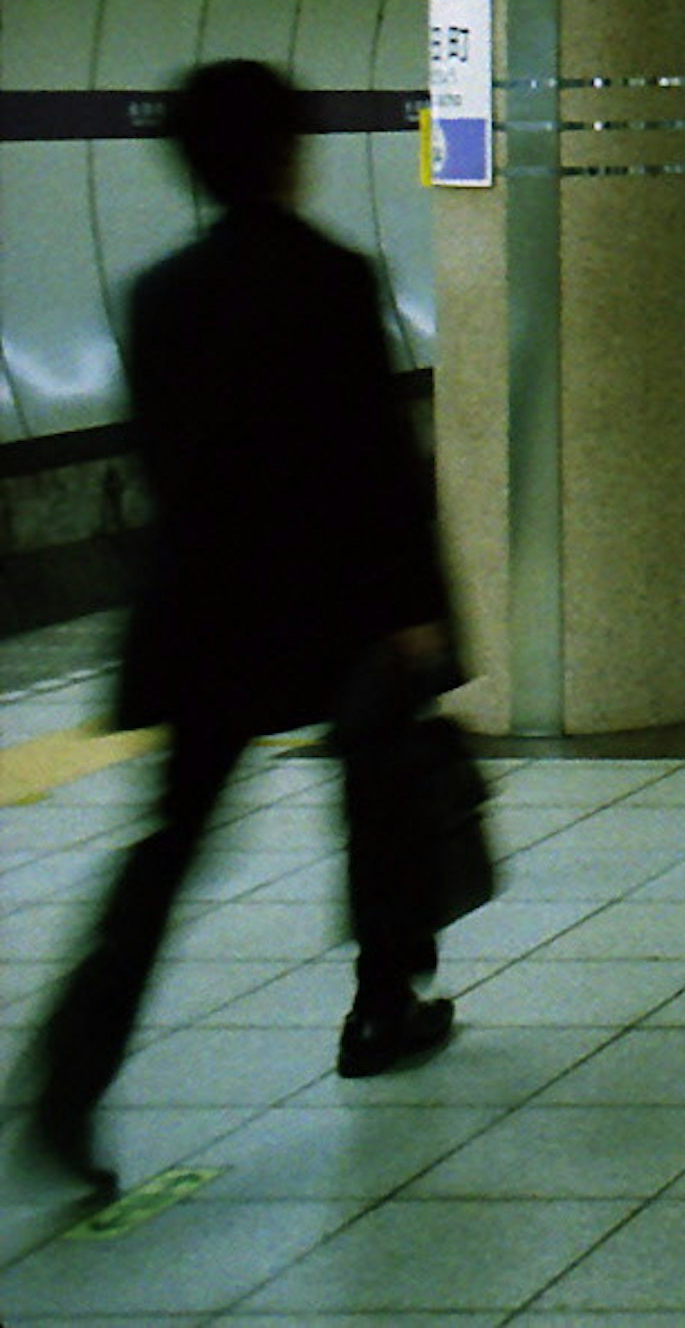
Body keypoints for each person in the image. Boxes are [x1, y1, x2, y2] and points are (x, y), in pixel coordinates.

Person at [29, 61, 464, 1197]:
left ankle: (67, 1085)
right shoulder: (327, 277)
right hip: (329, 608)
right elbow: (376, 463)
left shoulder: (159, 290)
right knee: (377, 794)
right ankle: (381, 1006)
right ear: (285, 150)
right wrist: (418, 611)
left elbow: (170, 465)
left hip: (205, 614)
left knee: (166, 854)